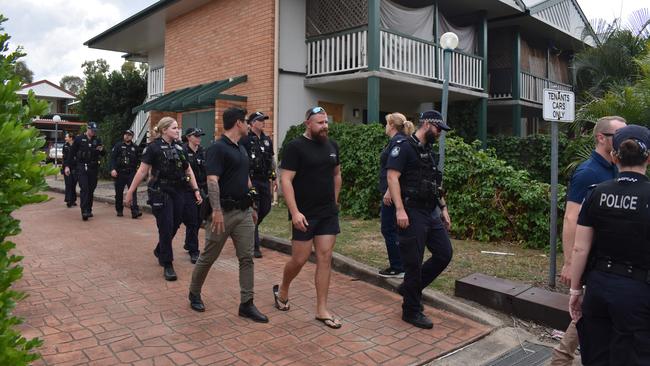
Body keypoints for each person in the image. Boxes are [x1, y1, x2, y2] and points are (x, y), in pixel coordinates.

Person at [569, 124, 650, 366]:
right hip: (638, 294)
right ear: (648, 157)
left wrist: (575, 291)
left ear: (615, 156)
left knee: (597, 356)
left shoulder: (595, 193)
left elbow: (580, 248)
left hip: (599, 288)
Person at [552, 116, 627, 365]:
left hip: (608, 257)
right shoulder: (587, 172)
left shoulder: (616, 167)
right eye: (619, 135)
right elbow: (571, 218)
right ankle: (561, 358)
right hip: (592, 258)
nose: (624, 140)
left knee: (586, 312)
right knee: (583, 312)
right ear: (601, 138)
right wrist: (570, 262)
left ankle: (561, 358)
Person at [188, 107, 268, 323]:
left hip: (242, 213)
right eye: (245, 121)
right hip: (221, 212)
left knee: (246, 258)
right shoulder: (217, 148)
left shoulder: (240, 148)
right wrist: (215, 210)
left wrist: (252, 205)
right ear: (238, 123)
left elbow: (246, 179)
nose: (248, 125)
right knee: (209, 256)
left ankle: (247, 304)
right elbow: (212, 181)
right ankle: (194, 292)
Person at [274, 106, 343, 329]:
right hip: (304, 213)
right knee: (300, 259)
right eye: (320, 123)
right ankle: (283, 288)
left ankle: (321, 309)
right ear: (308, 124)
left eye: (326, 122)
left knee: (325, 257)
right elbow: (286, 180)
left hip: (326, 213)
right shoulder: (295, 147)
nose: (325, 126)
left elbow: (336, 174)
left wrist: (335, 201)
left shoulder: (332, 146)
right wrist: (294, 212)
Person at [386, 110, 453, 329]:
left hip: (430, 211)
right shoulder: (404, 147)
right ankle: (411, 310)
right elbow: (392, 177)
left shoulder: (429, 152)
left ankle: (409, 288)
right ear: (426, 124)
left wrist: (443, 209)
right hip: (411, 210)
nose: (440, 133)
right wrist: (399, 210)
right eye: (438, 128)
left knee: (444, 253)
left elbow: (435, 184)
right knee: (413, 263)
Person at [124, 117, 203, 281]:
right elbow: (142, 171)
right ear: (164, 129)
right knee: (166, 227)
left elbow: (188, 171)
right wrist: (131, 191)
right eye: (174, 128)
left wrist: (195, 190)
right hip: (161, 192)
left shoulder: (180, 147)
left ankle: (160, 249)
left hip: (179, 191)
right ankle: (167, 263)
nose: (177, 130)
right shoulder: (153, 148)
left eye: (177, 128)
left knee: (175, 225)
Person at [378, 112, 415, 278]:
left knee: (388, 229)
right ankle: (402, 264)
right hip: (395, 192)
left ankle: (398, 266)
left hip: (392, 194)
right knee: (397, 230)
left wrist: (388, 190)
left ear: (392, 125)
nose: (385, 126)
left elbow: (398, 170)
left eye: (387, 123)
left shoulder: (397, 143)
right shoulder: (402, 141)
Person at [241, 111, 277, 259]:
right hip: (251, 179)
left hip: (264, 180)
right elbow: (241, 162)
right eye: (260, 120)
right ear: (252, 123)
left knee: (266, 208)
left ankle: (249, 229)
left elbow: (271, 160)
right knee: (254, 210)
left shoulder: (267, 139)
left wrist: (274, 178)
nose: (263, 122)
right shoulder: (244, 140)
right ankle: (255, 246)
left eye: (264, 120)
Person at [65, 122, 105, 221]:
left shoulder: (97, 140)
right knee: (85, 188)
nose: (93, 132)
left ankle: (89, 209)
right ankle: (84, 211)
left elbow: (104, 153)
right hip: (81, 166)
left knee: (91, 189)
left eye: (95, 131)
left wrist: (101, 150)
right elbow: (71, 153)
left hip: (93, 167)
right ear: (88, 129)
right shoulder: (79, 139)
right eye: (92, 130)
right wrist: (67, 166)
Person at [181, 127, 207, 264]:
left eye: (200, 135)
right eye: (196, 136)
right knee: (191, 219)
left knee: (198, 219)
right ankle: (194, 251)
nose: (199, 138)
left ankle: (189, 242)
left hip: (202, 188)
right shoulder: (183, 151)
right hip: (188, 190)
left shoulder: (203, 151)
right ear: (188, 137)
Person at [110, 129, 142, 218]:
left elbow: (139, 160)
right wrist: (113, 169)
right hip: (120, 172)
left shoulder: (135, 147)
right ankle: (119, 209)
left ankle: (134, 211)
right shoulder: (118, 146)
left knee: (133, 191)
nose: (127, 136)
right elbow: (112, 158)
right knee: (119, 192)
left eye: (129, 135)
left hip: (131, 172)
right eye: (125, 134)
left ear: (132, 137)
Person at [62, 132, 77, 208]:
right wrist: (65, 167)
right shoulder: (65, 146)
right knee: (68, 184)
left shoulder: (76, 145)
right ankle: (68, 200)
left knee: (73, 184)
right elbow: (65, 158)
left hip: (75, 168)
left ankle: (73, 199)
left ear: (71, 138)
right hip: (67, 167)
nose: (65, 138)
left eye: (66, 137)